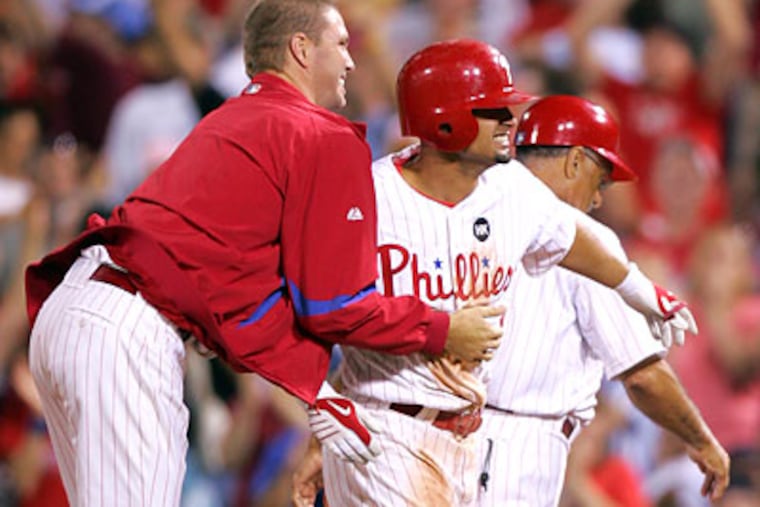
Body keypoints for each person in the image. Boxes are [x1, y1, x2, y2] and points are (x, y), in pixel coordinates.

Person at [23, 2, 506, 506]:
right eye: (340, 44)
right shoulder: (319, 133)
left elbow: (232, 282)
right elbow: (333, 305)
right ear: (301, 49)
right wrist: (442, 328)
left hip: (75, 308)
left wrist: (315, 394)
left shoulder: (236, 117)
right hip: (126, 326)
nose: (351, 62)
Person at [293, 40, 698, 507]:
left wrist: (637, 288)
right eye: (493, 111)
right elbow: (321, 312)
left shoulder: (509, 190)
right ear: (443, 118)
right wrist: (323, 425)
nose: (511, 122)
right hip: (383, 430)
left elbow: (571, 235)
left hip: (466, 438)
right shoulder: (368, 197)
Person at [477, 95, 730, 507]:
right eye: (599, 179)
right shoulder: (585, 238)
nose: (598, 199)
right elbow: (642, 375)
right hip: (514, 451)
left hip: (451, 434)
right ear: (574, 161)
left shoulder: (471, 209)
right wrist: (701, 440)